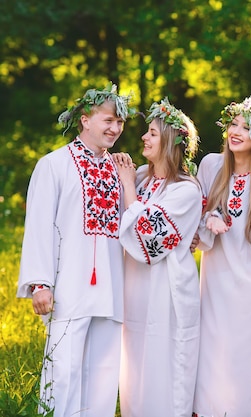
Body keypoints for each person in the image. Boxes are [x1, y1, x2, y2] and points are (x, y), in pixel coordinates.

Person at [16, 82, 135, 416]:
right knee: (63, 371)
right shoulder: (53, 165)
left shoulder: (122, 170)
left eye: (120, 123)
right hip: (68, 287)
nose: (115, 128)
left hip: (111, 288)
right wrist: (41, 282)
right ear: (85, 119)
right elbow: (38, 226)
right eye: (108, 120)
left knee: (104, 374)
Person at [192, 96, 251, 417]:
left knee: (248, 356)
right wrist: (208, 220)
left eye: (246, 128)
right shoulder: (211, 166)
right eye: (233, 124)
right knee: (213, 352)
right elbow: (195, 223)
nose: (236, 132)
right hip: (217, 280)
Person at [113, 98, 202, 417]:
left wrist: (128, 190)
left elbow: (150, 239)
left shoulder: (187, 191)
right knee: (135, 368)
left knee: (164, 367)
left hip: (168, 293)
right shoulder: (141, 178)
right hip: (135, 289)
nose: (143, 138)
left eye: (152, 133)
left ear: (169, 142)